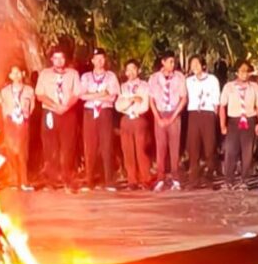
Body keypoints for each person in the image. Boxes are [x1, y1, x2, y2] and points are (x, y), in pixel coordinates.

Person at [35, 48, 81, 191]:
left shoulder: (73, 74)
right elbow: (40, 94)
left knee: (68, 146)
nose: (59, 61)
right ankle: (52, 180)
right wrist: (55, 106)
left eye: (61, 58)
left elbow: (76, 94)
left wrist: (65, 107)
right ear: (52, 60)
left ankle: (67, 178)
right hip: (50, 112)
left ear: (65, 59)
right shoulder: (45, 74)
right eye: (56, 58)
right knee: (50, 147)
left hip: (68, 113)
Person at [78, 49, 119, 191]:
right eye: (97, 58)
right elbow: (82, 95)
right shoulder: (86, 77)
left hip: (105, 112)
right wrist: (102, 94)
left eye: (102, 58)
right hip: (90, 113)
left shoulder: (111, 76)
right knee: (89, 146)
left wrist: (93, 95)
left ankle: (109, 181)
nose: (100, 61)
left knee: (107, 146)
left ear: (105, 60)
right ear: (92, 61)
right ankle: (89, 180)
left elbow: (112, 97)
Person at [219, 60, 258, 190]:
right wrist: (222, 125)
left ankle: (245, 180)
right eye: (242, 71)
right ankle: (228, 180)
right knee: (230, 151)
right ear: (237, 72)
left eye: (247, 71)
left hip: (249, 120)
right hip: (234, 121)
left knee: (247, 152)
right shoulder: (229, 87)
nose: (245, 74)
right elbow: (222, 106)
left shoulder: (254, 87)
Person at [148, 52, 187, 191]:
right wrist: (158, 118)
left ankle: (175, 178)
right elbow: (151, 100)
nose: (172, 64)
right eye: (170, 61)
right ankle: (160, 178)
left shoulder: (179, 77)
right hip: (160, 113)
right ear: (163, 62)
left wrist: (173, 116)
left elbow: (183, 99)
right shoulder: (154, 78)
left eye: (173, 62)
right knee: (161, 148)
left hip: (174, 114)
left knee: (174, 148)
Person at [184, 55, 221, 190]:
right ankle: (193, 179)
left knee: (209, 147)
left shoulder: (212, 80)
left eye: (197, 63)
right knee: (193, 147)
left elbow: (216, 100)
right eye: (192, 64)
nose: (194, 66)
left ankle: (209, 176)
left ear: (203, 65)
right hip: (194, 114)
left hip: (208, 113)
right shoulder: (188, 81)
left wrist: (214, 116)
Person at [116, 59, 151, 190]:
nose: (130, 72)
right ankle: (132, 180)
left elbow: (145, 105)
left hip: (139, 118)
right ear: (125, 72)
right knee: (128, 151)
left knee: (141, 150)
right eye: (128, 70)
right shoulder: (123, 87)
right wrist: (131, 100)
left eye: (133, 69)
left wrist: (131, 107)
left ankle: (145, 179)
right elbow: (118, 106)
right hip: (126, 120)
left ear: (138, 70)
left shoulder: (144, 86)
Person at [0, 65, 35, 191]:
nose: (16, 75)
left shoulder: (29, 90)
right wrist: (9, 118)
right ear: (10, 76)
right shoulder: (4, 91)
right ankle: (14, 180)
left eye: (18, 72)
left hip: (23, 122)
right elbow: (3, 107)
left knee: (22, 152)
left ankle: (24, 181)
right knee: (10, 151)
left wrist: (25, 115)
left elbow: (32, 106)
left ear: (23, 74)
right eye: (13, 73)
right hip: (10, 122)